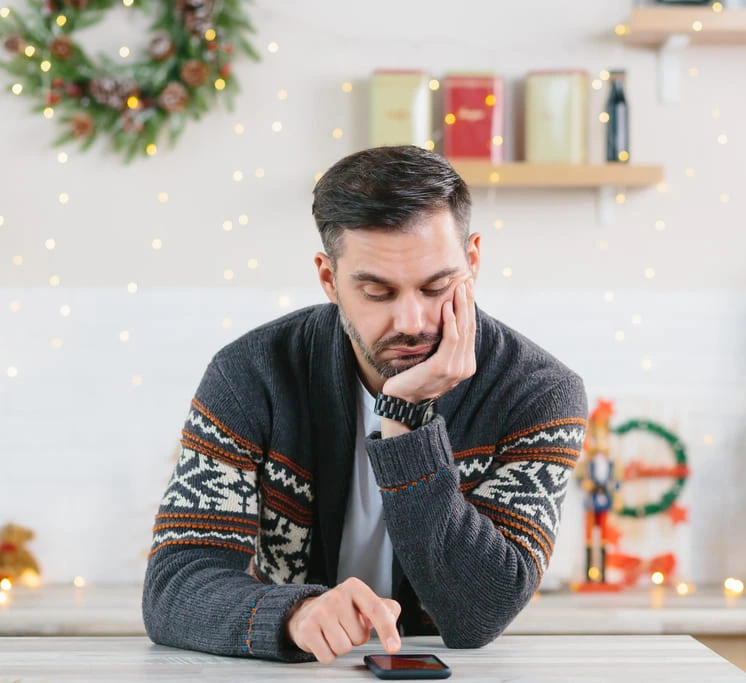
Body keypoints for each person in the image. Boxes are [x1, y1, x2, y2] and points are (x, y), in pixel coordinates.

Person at [142, 145, 588, 664]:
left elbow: (477, 613)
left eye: (435, 286)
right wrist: (295, 615)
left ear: (472, 261)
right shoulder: (250, 375)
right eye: (378, 292)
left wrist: (406, 418)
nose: (413, 321)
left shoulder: (537, 394)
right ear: (329, 279)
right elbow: (174, 588)